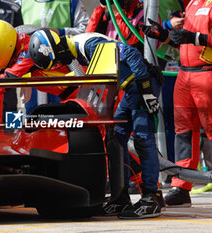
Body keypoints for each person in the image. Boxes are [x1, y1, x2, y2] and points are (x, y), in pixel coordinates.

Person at [28, 29, 163, 219]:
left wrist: (146, 89)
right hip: (131, 88)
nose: (60, 64)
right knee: (114, 138)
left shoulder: (88, 44)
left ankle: (152, 196)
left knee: (142, 138)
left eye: (57, 60)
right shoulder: (79, 49)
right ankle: (121, 197)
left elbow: (130, 53)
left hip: (141, 85)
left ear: (59, 48)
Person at [0, 19, 73, 124]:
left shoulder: (29, 49)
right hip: (67, 96)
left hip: (79, 94)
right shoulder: (21, 44)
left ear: (3, 48)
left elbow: (8, 81)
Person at [161, 0, 212, 207]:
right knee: (183, 134)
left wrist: (195, 37)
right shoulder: (192, 3)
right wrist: (163, 35)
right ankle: (180, 187)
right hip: (185, 74)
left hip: (207, 73)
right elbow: (185, 39)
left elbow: (195, 38)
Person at [17, 0, 89, 114]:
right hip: (32, 73)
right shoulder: (21, 3)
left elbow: (86, 29)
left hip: (63, 71)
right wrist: (24, 78)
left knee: (64, 114)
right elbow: (16, 42)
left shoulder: (71, 2)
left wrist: (61, 32)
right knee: (34, 116)